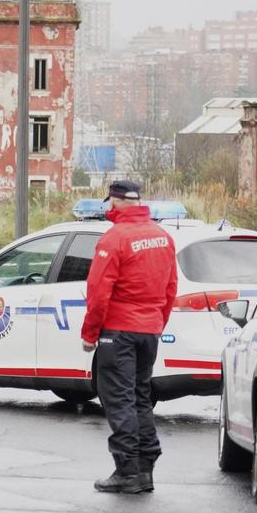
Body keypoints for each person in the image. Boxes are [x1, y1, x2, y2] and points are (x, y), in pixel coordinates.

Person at [81, 180, 178, 495]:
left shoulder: (115, 238)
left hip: (118, 332)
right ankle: (145, 468)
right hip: (148, 330)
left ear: (117, 201)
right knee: (139, 398)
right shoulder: (162, 237)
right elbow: (170, 287)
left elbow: (98, 292)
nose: (107, 207)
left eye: (109, 201)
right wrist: (156, 324)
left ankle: (127, 471)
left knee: (119, 400)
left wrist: (90, 334)